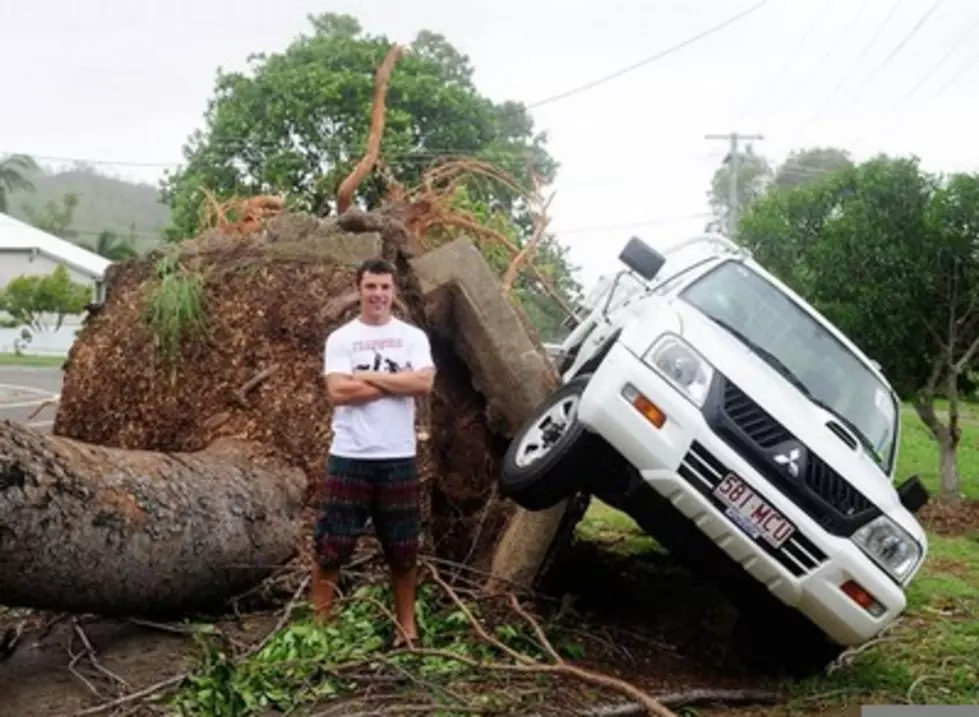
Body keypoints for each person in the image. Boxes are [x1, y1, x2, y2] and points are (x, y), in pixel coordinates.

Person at [313, 257, 435, 647]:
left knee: (403, 548)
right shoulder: (341, 339)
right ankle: (320, 630)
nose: (378, 294)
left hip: (398, 457)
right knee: (332, 544)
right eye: (371, 287)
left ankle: (406, 629)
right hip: (350, 455)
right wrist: (398, 382)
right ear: (359, 289)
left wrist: (364, 376)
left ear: (393, 291)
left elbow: (424, 382)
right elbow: (336, 392)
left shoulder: (412, 337)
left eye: (384, 287)